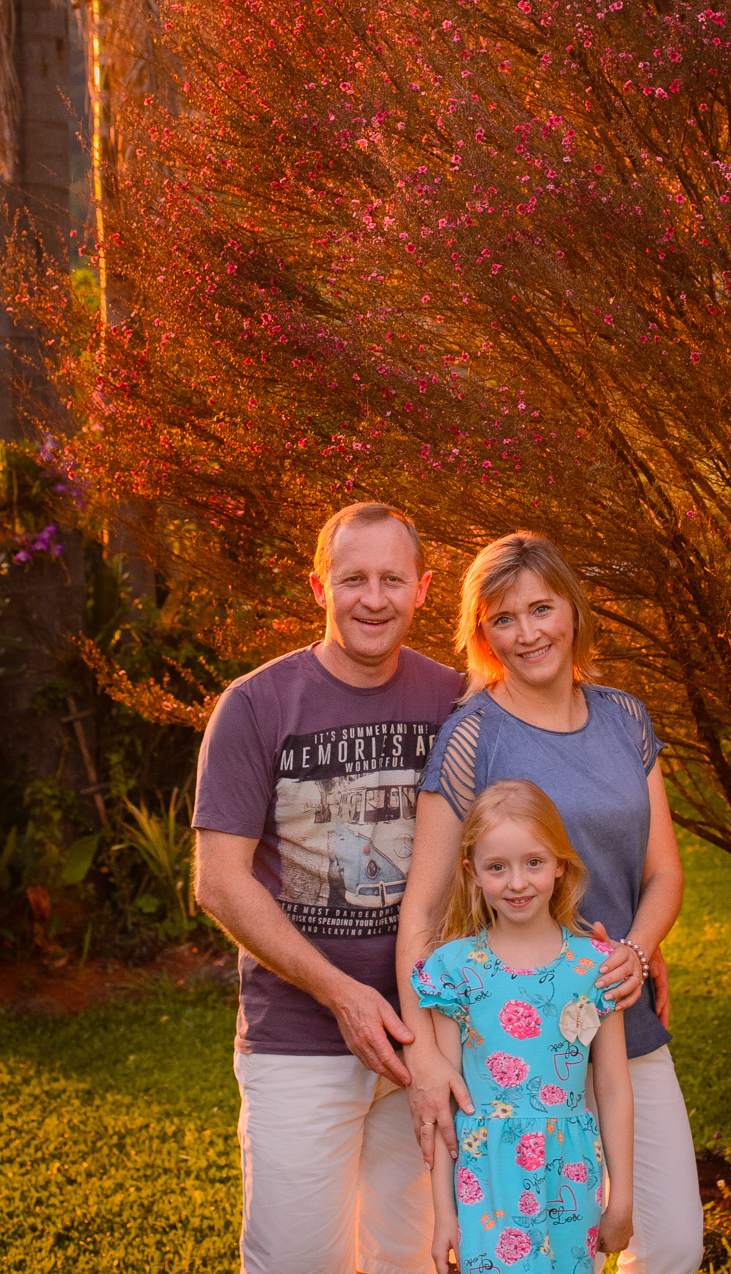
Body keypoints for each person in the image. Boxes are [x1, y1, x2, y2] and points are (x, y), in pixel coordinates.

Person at [397, 531, 704, 1274]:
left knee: (669, 1244)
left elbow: (664, 872)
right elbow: (424, 910)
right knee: (528, 1252)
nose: (528, 633)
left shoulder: (625, 718)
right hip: (511, 1043)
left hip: (613, 1007)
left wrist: (634, 953)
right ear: (482, 634)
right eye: (503, 618)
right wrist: (424, 1056)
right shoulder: (471, 738)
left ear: (573, 609)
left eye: (541, 609)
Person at [193, 502, 464, 1274]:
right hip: (298, 1041)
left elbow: (521, 841)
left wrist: (623, 940)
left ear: (422, 589)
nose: (372, 599)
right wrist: (342, 995)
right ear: (319, 587)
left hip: (429, 1036)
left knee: (412, 1258)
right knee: (298, 1260)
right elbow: (220, 883)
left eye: (392, 580)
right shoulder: (256, 704)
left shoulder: (455, 700)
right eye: (352, 579)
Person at [413, 779, 634, 1274]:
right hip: (486, 1179)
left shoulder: (596, 966)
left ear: (560, 864)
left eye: (534, 862)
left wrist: (621, 1197)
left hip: (571, 1175)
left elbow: (613, 1086)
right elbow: (446, 1101)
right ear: (472, 873)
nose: (517, 883)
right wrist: (444, 1214)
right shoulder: (453, 969)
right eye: (498, 867)